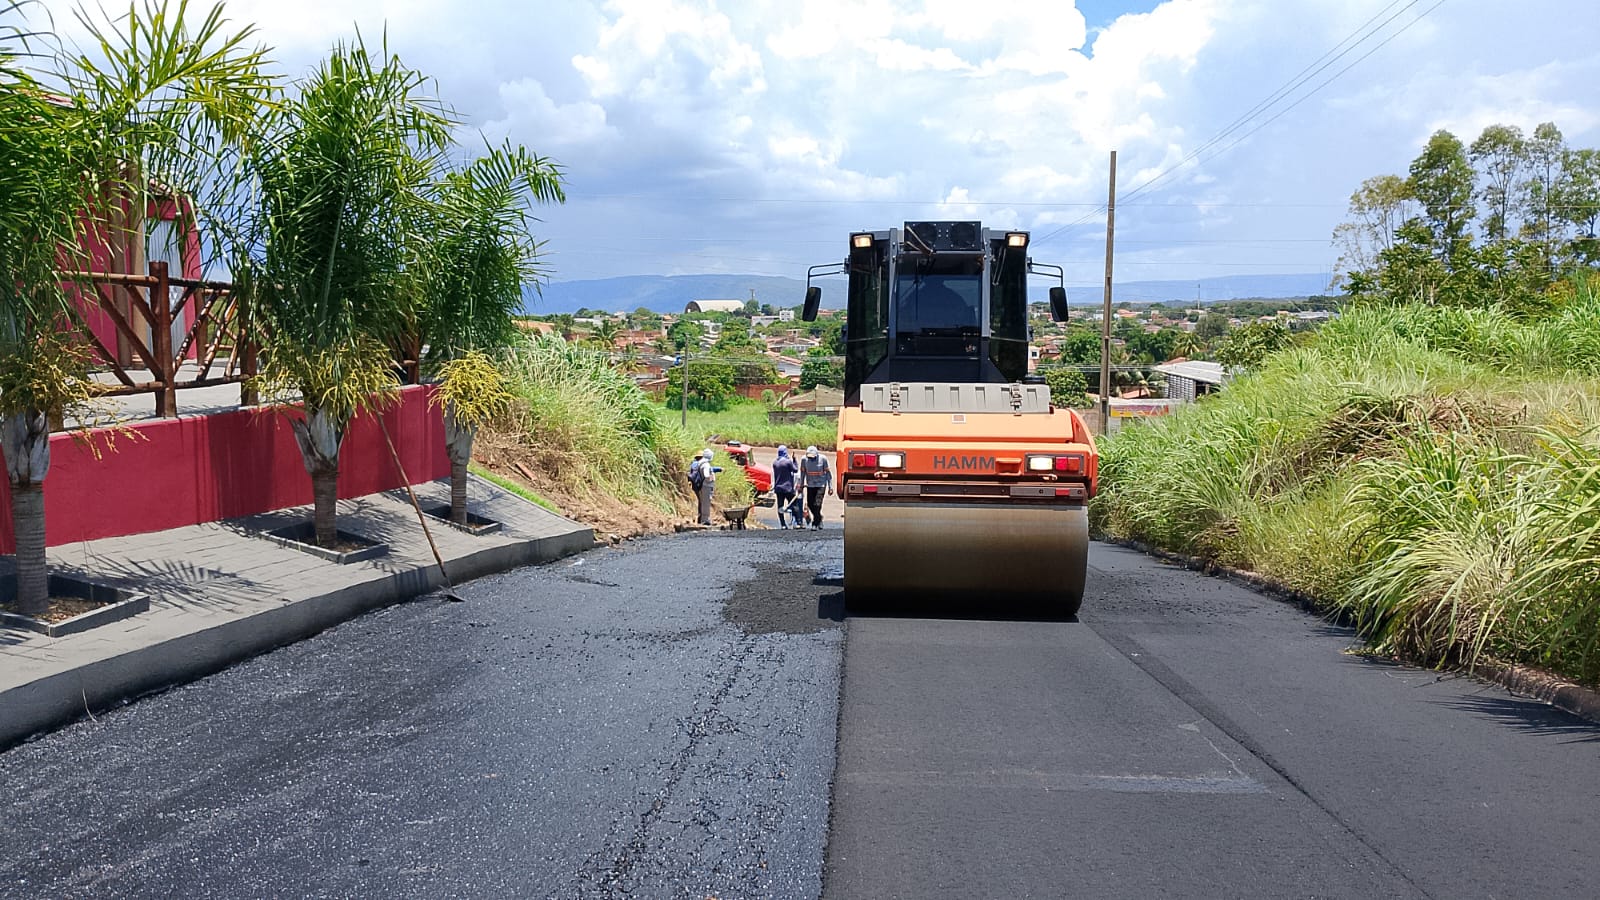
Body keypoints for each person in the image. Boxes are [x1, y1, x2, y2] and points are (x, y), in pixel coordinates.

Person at [799, 445, 832, 530]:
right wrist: (801, 485)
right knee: (810, 504)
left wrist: (830, 487)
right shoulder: (804, 460)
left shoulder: (823, 459)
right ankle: (819, 518)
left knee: (817, 504)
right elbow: (802, 473)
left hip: (821, 485)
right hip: (810, 485)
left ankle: (815, 523)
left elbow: (828, 474)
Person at [771, 445, 799, 529]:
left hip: (778, 488)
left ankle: (783, 524)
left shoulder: (775, 462)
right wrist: (794, 459)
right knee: (794, 505)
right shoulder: (788, 462)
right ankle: (796, 523)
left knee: (780, 506)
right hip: (788, 488)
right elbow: (795, 469)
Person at [693, 447, 721, 526]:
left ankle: (704, 519)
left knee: (704, 502)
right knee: (706, 503)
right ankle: (705, 520)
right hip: (706, 486)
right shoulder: (705, 465)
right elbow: (706, 475)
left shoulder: (701, 463)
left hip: (704, 486)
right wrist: (711, 478)